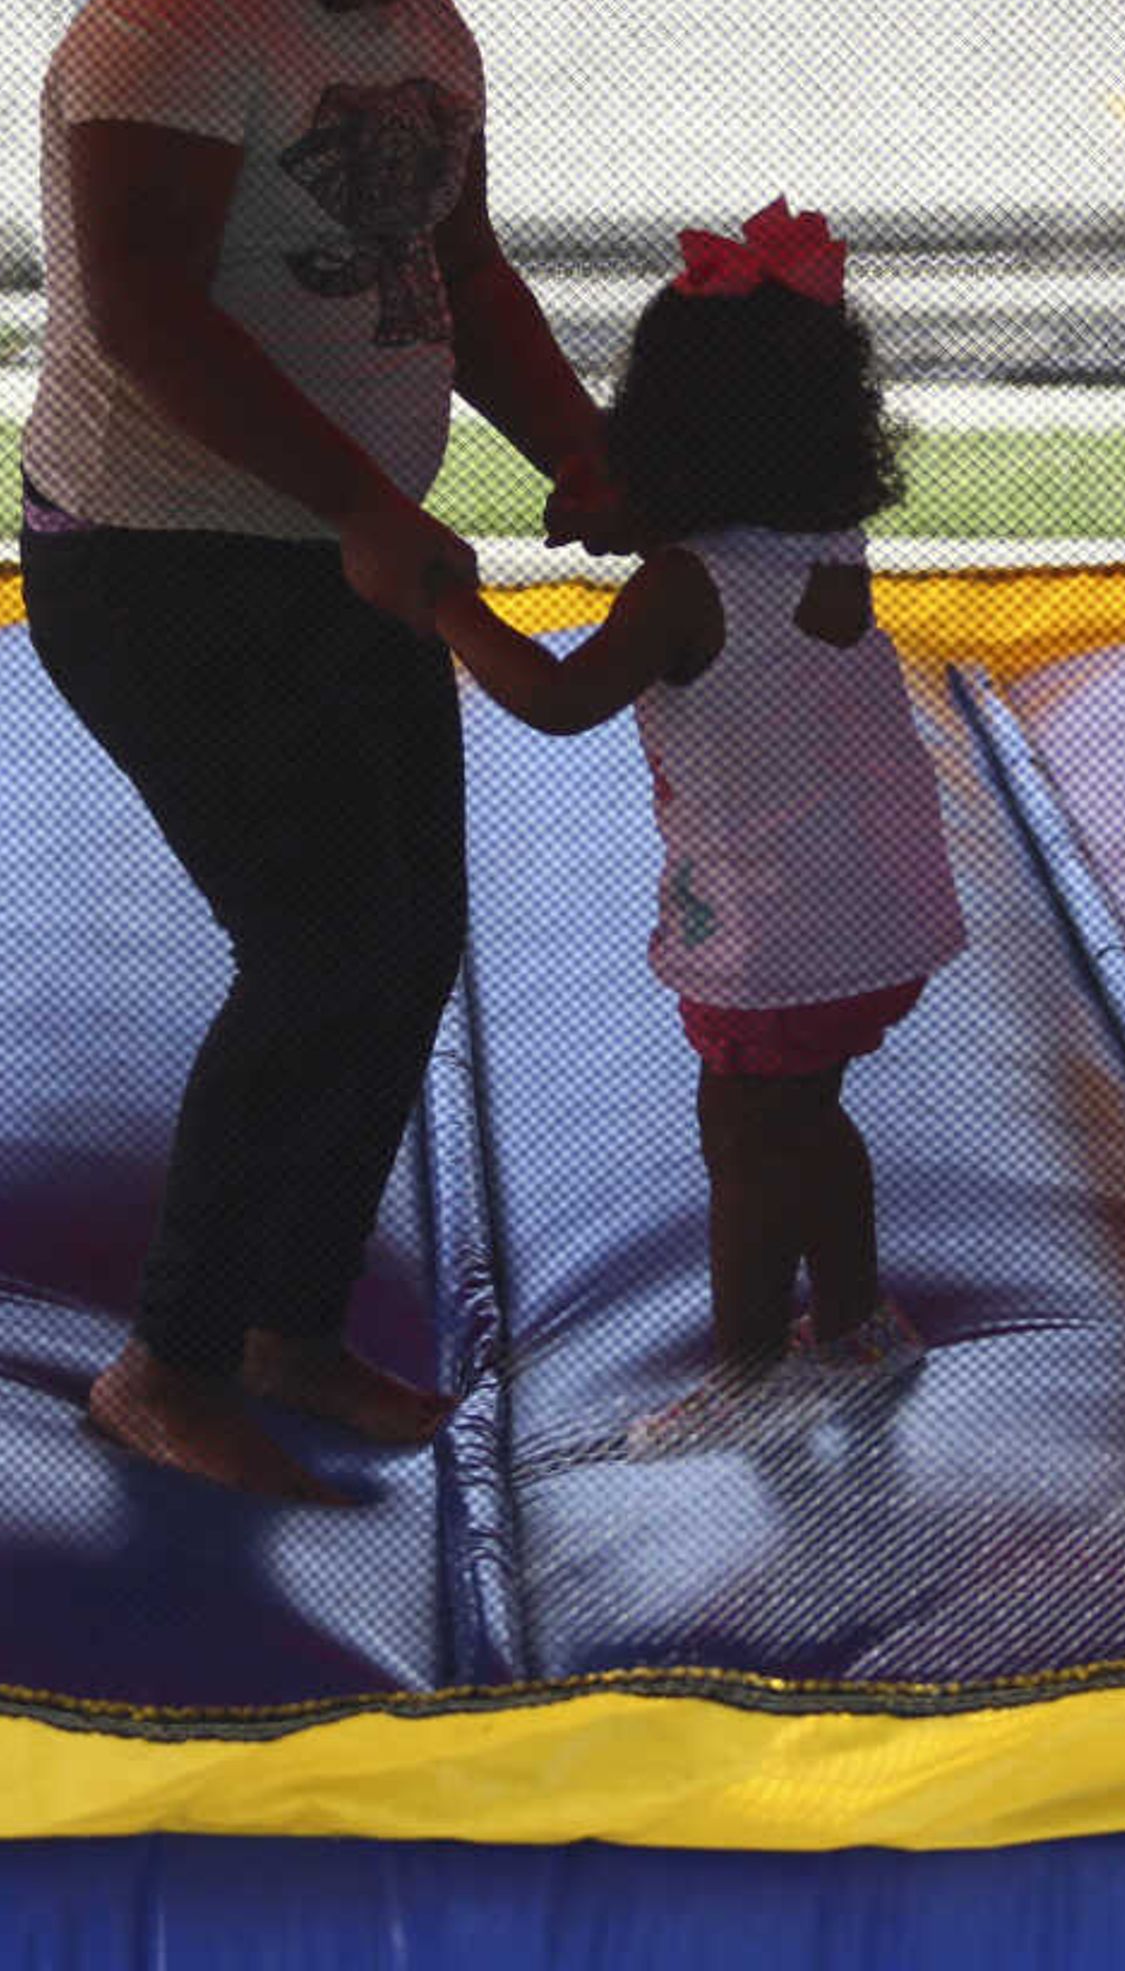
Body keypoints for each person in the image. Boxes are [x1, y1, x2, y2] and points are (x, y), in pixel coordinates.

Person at [23, 0, 628, 1502]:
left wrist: (580, 446)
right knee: (315, 951)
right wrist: (368, 502)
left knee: (408, 944)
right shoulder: (174, 27)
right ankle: (168, 1361)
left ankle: (290, 1321)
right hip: (163, 566)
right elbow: (145, 321)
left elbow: (468, 276)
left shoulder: (414, 26)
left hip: (350, 556)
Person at [428, 199, 968, 1456]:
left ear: (668, 434)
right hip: (868, 903)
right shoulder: (824, 542)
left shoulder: (684, 588)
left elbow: (561, 701)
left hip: (774, 923)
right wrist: (621, 517)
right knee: (810, 1115)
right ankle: (852, 1322)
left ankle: (748, 1374)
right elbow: (716, 542)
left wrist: (446, 609)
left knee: (742, 1136)